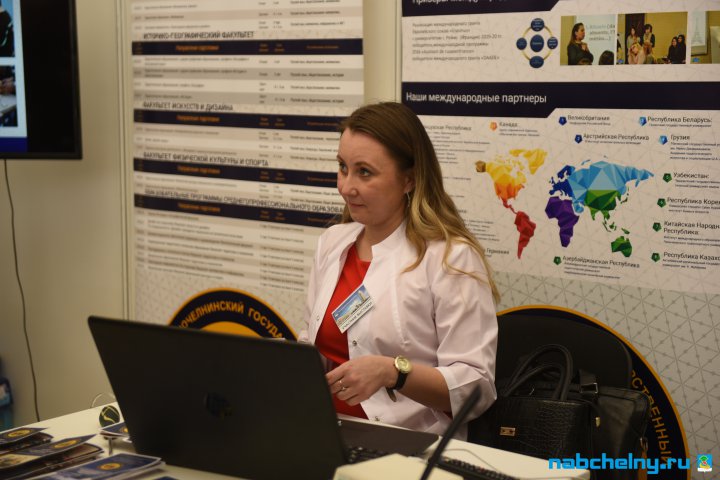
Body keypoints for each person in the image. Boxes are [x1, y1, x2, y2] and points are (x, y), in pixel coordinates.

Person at [301, 102, 499, 438]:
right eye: (343, 167)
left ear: (409, 179)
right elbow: (318, 346)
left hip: (410, 443)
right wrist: (288, 359)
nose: (346, 187)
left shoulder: (450, 258)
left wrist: (394, 372)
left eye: (365, 172)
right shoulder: (332, 244)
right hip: (325, 432)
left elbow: (476, 387)